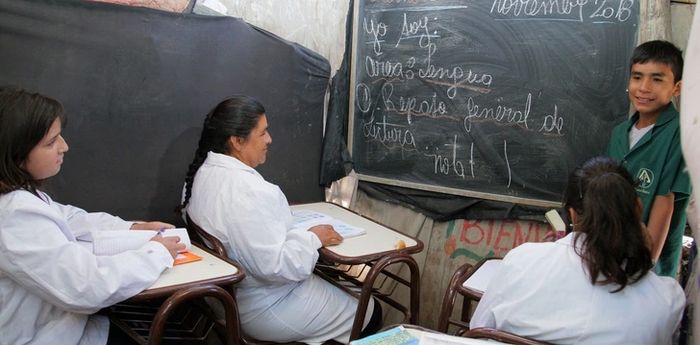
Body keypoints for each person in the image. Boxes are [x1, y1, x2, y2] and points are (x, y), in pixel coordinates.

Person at [180, 95, 381, 344]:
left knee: (347, 291)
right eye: (262, 133)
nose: (269, 139)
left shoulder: (201, 176)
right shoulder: (252, 191)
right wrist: (312, 237)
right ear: (237, 141)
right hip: (266, 307)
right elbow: (278, 267)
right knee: (370, 312)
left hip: (225, 301)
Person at [0, 87, 185, 345]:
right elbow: (85, 287)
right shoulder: (14, 214)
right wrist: (157, 252)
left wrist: (132, 228)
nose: (65, 146)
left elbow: (71, 219)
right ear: (16, 155)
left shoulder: (20, 198)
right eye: (51, 142)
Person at [470, 156, 685, 344]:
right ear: (637, 208)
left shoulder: (521, 261)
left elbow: (478, 329)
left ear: (572, 215)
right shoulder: (666, 301)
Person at [607, 40, 690, 278]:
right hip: (613, 254)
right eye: (637, 77)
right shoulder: (619, 134)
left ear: (677, 88)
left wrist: (645, 264)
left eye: (657, 79)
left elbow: (666, 201)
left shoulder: (680, 134)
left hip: (649, 266)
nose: (643, 87)